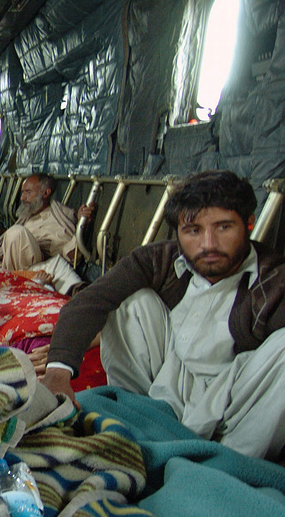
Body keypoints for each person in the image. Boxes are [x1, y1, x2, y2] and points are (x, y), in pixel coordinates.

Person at [42, 170, 285, 460]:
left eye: (223, 227)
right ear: (178, 232)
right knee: (131, 301)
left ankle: (228, 463)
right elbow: (90, 302)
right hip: (165, 382)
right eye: (193, 230)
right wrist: (58, 373)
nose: (208, 244)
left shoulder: (273, 279)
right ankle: (139, 416)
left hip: (233, 397)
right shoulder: (159, 259)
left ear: (249, 225)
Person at [0, 173, 94, 272]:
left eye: (28, 192)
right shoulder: (30, 215)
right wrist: (2, 232)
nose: (22, 198)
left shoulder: (59, 218)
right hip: (7, 262)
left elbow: (70, 255)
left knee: (16, 233)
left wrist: (82, 225)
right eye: (23, 193)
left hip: (35, 269)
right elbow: (29, 235)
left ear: (45, 193)